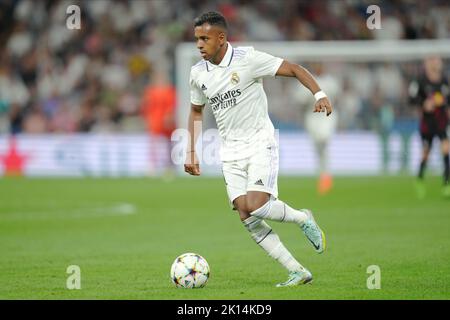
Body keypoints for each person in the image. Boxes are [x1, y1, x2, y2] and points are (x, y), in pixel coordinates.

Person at [184, 12, 332, 287]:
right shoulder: (197, 74)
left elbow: (295, 69)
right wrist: (191, 150)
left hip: (260, 142)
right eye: (196, 39)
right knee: (245, 212)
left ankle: (302, 218)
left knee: (257, 205)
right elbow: (195, 111)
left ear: (221, 38)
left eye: (204, 39)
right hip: (229, 151)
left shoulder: (248, 59)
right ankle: (297, 270)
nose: (199, 45)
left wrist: (319, 94)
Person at [409, 56, 449, 198]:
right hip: (427, 123)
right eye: (433, 60)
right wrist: (423, 104)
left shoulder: (444, 80)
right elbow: (412, 99)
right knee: (426, 152)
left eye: (437, 60)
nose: (436, 63)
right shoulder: (420, 81)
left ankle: (446, 183)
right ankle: (420, 178)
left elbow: (447, 99)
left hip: (442, 121)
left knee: (446, 148)